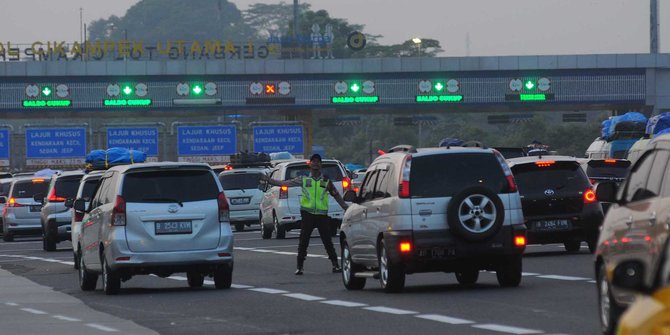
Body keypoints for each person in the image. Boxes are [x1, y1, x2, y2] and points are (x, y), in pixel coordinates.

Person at [260, 154, 348, 275]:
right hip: (308, 215)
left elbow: (336, 195)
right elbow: (284, 183)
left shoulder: (325, 182)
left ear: (321, 165)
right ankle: (300, 266)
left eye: (318, 162)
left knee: (327, 241)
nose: (316, 163)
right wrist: (269, 180)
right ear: (310, 164)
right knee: (303, 241)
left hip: (322, 215)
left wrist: (346, 208)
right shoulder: (304, 180)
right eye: (313, 161)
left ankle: (335, 264)